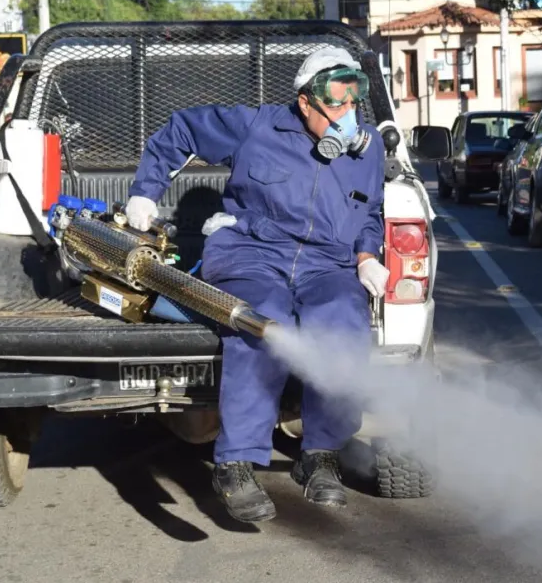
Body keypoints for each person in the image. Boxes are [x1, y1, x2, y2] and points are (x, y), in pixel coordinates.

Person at [123, 46, 390, 523]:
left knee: (343, 320)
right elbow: (181, 128)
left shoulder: (367, 147)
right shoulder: (257, 126)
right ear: (306, 102)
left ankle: (320, 455)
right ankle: (236, 463)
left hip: (326, 262)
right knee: (261, 322)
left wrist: (368, 256)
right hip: (251, 251)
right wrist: (145, 192)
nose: (348, 116)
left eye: (354, 102)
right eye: (336, 104)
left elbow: (369, 212)